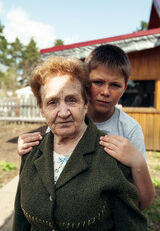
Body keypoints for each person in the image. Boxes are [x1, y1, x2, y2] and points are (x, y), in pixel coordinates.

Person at [13, 56, 147, 230]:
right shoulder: (31, 152)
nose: (63, 112)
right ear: (41, 108)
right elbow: (20, 220)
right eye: (52, 102)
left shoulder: (112, 156)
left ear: (85, 103)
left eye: (71, 100)